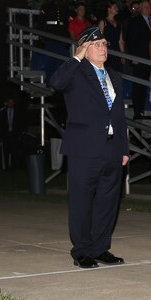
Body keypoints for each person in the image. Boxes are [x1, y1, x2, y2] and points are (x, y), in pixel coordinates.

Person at [47, 25, 130, 269]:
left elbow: (119, 116)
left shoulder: (114, 76)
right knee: (82, 202)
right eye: (96, 45)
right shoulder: (76, 73)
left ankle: (100, 248)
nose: (103, 48)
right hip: (84, 149)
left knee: (108, 202)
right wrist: (77, 57)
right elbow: (56, 82)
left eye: (104, 44)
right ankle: (81, 250)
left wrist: (124, 149)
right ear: (84, 48)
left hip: (112, 148)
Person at [122, 0, 151, 120]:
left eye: (149, 7)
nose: (149, 9)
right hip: (140, 58)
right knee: (139, 85)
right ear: (141, 8)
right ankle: (138, 111)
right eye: (146, 7)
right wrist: (133, 57)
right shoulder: (135, 21)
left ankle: (144, 108)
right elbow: (130, 40)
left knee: (147, 85)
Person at [98, 0, 125, 72]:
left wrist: (122, 55)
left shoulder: (119, 24)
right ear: (109, 9)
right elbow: (98, 38)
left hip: (116, 52)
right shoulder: (103, 22)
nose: (117, 8)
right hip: (107, 52)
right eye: (115, 7)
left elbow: (120, 41)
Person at [0, 97, 25, 170]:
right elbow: (0, 124)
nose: (10, 104)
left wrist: (19, 135)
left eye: (12, 102)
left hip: (14, 135)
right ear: (7, 103)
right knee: (6, 151)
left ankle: (13, 167)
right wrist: (1, 135)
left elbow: (20, 124)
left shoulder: (17, 112)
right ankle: (6, 167)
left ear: (14, 103)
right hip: (6, 135)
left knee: (14, 151)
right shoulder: (3, 112)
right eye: (9, 102)